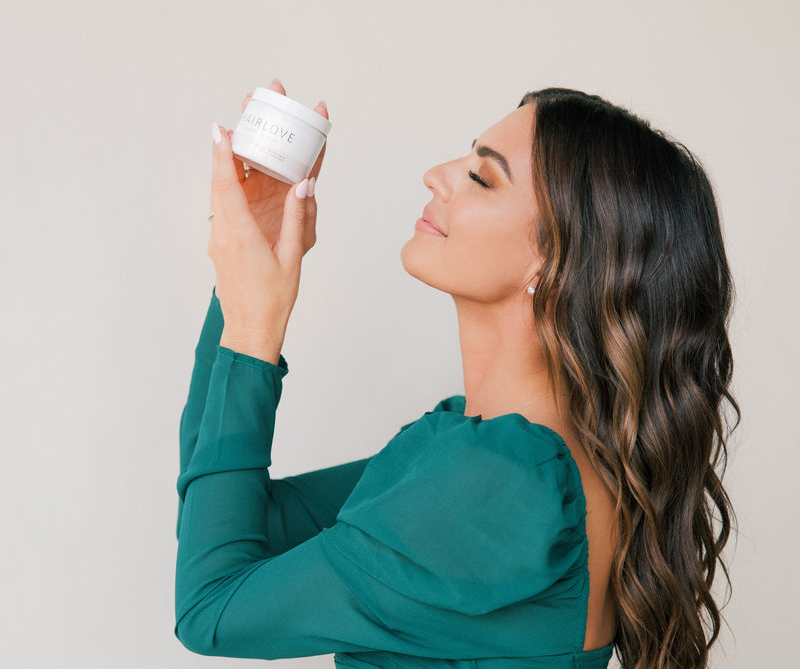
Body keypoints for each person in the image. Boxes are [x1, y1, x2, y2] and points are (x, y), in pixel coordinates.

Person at [175, 80, 738, 669]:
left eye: (481, 177)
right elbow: (231, 520)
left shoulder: (498, 481)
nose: (435, 175)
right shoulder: (493, 452)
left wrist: (252, 330)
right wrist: (245, 281)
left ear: (558, 262)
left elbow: (210, 612)